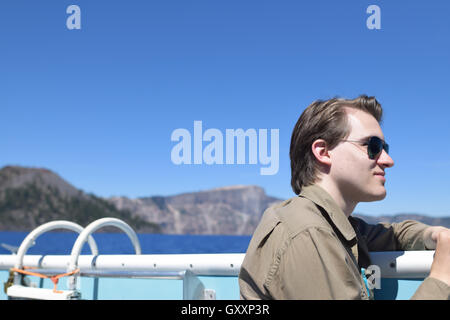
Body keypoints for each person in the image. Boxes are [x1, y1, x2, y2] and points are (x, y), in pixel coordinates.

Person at [239, 95, 450, 300]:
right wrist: (442, 279)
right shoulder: (309, 232)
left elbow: (393, 234)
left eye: (385, 148)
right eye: (373, 146)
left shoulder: (334, 224)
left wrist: (435, 234)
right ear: (323, 152)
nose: (388, 160)